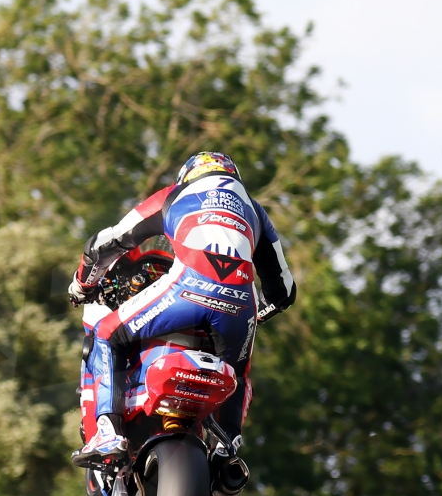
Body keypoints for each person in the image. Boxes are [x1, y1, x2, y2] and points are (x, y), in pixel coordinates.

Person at [68, 151, 296, 465]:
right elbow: (283, 289)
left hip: (187, 288)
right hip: (241, 304)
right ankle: (227, 450)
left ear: (186, 176)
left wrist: (83, 284)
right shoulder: (254, 210)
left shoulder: (173, 196)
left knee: (108, 334)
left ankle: (108, 430)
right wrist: (260, 314)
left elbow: (106, 243)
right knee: (239, 375)